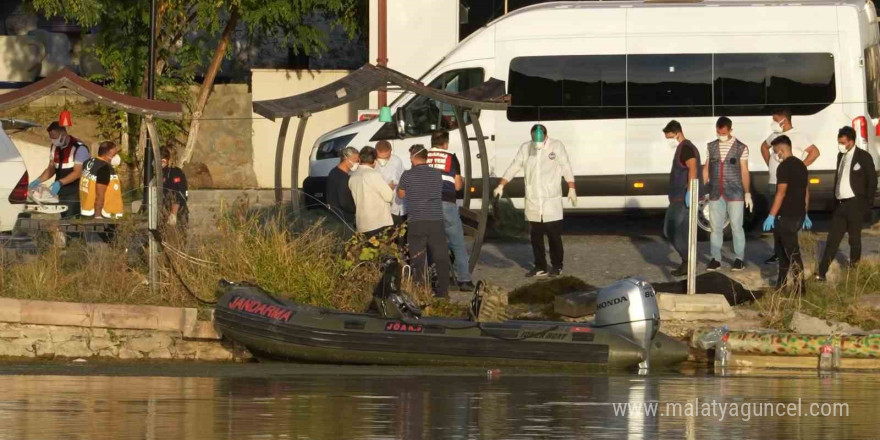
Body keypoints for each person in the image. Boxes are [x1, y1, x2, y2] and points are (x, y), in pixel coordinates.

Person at [495, 124, 576, 278]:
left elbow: (566, 166)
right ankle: (540, 266)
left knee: (553, 235)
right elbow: (514, 166)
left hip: (550, 200)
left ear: (546, 135)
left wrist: (571, 187)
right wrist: (501, 185)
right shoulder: (526, 148)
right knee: (535, 236)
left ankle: (557, 265)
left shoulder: (556, 146)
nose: (536, 144)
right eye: (533, 140)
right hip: (533, 199)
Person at [815, 126, 877, 281]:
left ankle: (854, 270)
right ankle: (821, 273)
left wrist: (866, 204)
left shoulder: (863, 156)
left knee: (854, 239)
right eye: (839, 142)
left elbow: (872, 180)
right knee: (833, 239)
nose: (841, 145)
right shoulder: (840, 156)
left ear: (851, 141)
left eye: (843, 142)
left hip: (856, 204)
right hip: (840, 205)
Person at [760, 107, 820, 264]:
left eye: (775, 119)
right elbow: (763, 147)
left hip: (788, 186)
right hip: (773, 183)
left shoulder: (798, 136)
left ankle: (792, 253)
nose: (772, 123)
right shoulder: (775, 136)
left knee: (789, 220)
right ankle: (778, 252)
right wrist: (770, 164)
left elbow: (815, 152)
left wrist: (800, 166)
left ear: (783, 120)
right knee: (776, 224)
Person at [398, 144, 450, 298]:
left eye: (410, 156)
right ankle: (443, 292)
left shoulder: (407, 175)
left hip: (417, 221)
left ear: (414, 157)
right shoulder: (436, 174)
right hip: (435, 220)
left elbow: (401, 195)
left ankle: (420, 291)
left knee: (417, 258)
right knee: (441, 256)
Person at [426, 130, 475, 290]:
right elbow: (457, 185)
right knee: (458, 243)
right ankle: (464, 280)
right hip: (447, 202)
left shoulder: (424, 157)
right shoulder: (451, 158)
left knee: (433, 243)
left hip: (428, 204)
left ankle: (435, 278)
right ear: (445, 144)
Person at [762, 135, 810, 294]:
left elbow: (780, 193)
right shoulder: (802, 165)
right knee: (782, 252)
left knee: (791, 253)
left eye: (776, 152)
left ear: (782, 150)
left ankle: (800, 288)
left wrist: (771, 215)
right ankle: (780, 285)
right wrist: (806, 213)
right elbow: (806, 191)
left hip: (786, 216)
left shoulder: (783, 168)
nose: (776, 155)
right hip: (799, 214)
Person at [703, 117, 751, 272]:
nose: (721, 134)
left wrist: (747, 193)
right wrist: (704, 190)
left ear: (730, 130)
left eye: (724, 132)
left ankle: (739, 259)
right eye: (718, 131)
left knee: (737, 227)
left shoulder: (741, 147)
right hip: (716, 192)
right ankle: (715, 259)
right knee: (715, 227)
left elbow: (744, 170)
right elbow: (706, 168)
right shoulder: (711, 146)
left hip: (735, 193)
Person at [662, 120, 703, 278]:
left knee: (670, 230)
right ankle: (688, 263)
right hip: (680, 196)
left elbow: (692, 167)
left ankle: (688, 259)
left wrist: (690, 191)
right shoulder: (685, 147)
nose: (669, 141)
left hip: (681, 197)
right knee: (684, 231)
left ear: (677, 132)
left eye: (669, 137)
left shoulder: (685, 148)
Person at [28, 121, 90, 218]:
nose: (53, 140)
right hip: (61, 191)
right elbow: (51, 168)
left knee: (72, 220)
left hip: (75, 192)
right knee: (64, 218)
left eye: (55, 137)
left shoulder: (79, 148)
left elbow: (78, 172)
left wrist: (60, 182)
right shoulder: (54, 147)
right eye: (51, 137)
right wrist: (38, 180)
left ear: (64, 134)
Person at [349, 146, 394, 237]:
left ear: (360, 159)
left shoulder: (352, 176)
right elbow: (388, 196)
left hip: (361, 223)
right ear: (374, 161)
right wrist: (389, 187)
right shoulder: (373, 174)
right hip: (378, 223)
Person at [80, 141, 123, 220]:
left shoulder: (88, 162)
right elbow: (100, 194)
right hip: (105, 214)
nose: (116, 157)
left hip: (87, 209)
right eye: (114, 155)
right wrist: (98, 216)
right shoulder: (104, 168)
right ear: (107, 154)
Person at [325, 146, 359, 227]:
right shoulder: (343, 178)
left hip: (335, 216)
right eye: (356, 160)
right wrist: (356, 209)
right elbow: (344, 201)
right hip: (344, 219)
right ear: (347, 160)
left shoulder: (333, 171)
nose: (358, 163)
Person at [375, 140, 406, 226]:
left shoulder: (396, 160)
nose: (384, 160)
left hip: (397, 206)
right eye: (381, 158)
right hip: (381, 207)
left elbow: (402, 178)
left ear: (391, 151)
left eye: (387, 157)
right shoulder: (373, 164)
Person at [161, 147, 189, 229]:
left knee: (178, 238)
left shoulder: (176, 173)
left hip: (178, 212)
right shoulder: (158, 174)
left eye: (162, 161)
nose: (160, 164)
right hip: (164, 211)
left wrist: (173, 214)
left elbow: (180, 194)